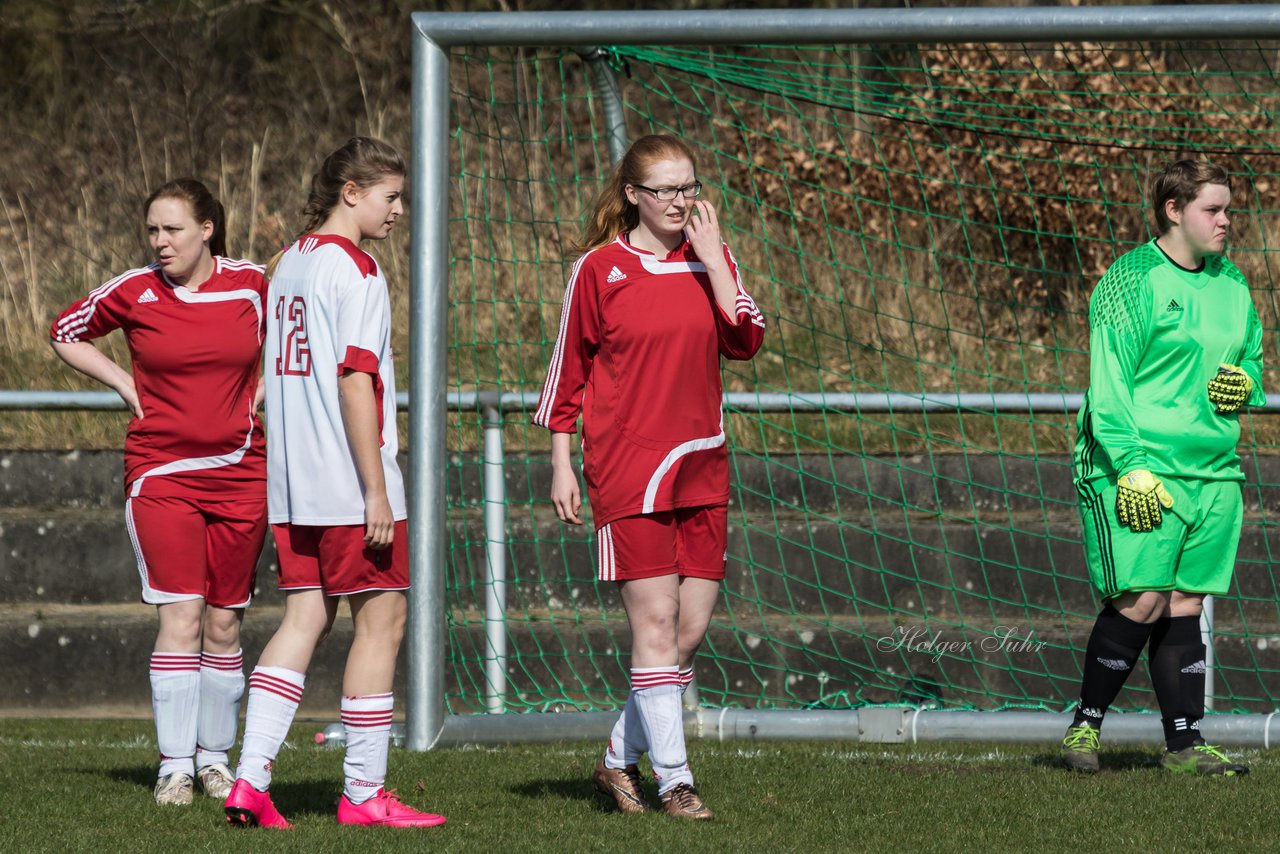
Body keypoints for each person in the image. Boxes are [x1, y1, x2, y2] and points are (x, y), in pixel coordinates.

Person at [534, 134, 766, 819]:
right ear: (632, 193)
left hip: (703, 461)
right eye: (663, 189)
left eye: (688, 187)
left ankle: (615, 760)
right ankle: (674, 780)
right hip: (629, 468)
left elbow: (747, 339)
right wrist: (561, 463)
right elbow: (566, 373)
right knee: (656, 624)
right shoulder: (598, 270)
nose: (678, 201)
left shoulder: (709, 261)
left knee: (687, 633)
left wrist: (717, 263)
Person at [223, 137, 445, 830]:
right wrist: (376, 490)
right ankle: (363, 794)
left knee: (304, 618)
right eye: (390, 197)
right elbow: (356, 380)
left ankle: (250, 782)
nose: (399, 211)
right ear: (351, 192)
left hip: (294, 484)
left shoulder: (287, 262)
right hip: (349, 482)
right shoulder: (358, 271)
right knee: (383, 622)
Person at [50, 179, 269, 806]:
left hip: (240, 472)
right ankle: (174, 766)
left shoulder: (254, 284)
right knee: (182, 615)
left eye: (172, 229)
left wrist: (266, 390)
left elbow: (299, 333)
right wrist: (121, 380)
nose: (159, 242)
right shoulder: (135, 288)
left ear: (207, 229)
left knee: (225, 624)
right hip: (161, 474)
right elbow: (65, 329)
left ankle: (215, 761)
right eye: (152, 230)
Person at [1062, 159, 1263, 776]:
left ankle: (1184, 746)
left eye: (1228, 210)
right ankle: (1083, 731)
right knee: (1143, 599)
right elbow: (1110, 385)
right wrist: (1130, 467)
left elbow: (1252, 359)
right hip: (1138, 467)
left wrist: (1246, 383)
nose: (1225, 221)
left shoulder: (1233, 285)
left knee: (1185, 602)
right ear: (1174, 211)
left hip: (1213, 472)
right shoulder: (1131, 280)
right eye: (1212, 209)